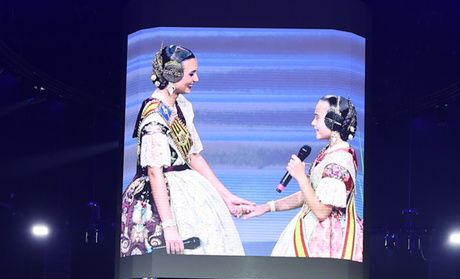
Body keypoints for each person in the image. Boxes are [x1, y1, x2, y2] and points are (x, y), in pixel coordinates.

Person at [120, 44, 250, 256]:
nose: (196, 79)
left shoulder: (181, 105)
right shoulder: (155, 115)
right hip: (160, 197)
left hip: (188, 187)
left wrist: (226, 196)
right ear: (173, 74)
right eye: (191, 74)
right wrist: (169, 226)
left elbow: (193, 155)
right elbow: (155, 172)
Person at [235, 96, 363, 260]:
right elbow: (310, 195)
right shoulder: (329, 152)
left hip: (329, 240)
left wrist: (301, 176)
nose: (313, 123)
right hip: (313, 227)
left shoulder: (339, 161)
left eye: (317, 117)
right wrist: (267, 207)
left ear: (333, 121)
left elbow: (322, 211)